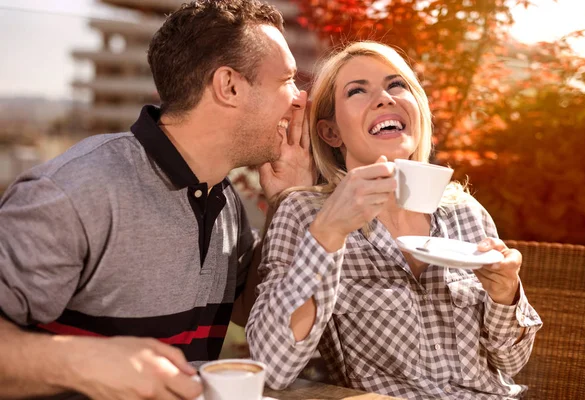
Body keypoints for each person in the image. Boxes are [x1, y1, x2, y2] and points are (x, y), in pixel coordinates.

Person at [0, 1, 313, 399]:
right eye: (286, 79)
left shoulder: (224, 201)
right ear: (229, 86)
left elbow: (253, 311)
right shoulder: (77, 192)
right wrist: (85, 362)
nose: (299, 98)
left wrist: (288, 204)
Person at [246, 41, 543, 399]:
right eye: (357, 91)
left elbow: (511, 362)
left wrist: (505, 293)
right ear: (330, 133)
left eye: (396, 84)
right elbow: (273, 366)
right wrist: (329, 231)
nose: (385, 98)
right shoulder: (305, 213)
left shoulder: (465, 212)